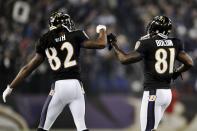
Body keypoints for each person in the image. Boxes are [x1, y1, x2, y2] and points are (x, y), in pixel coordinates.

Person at [2, 12, 107, 131]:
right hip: (77, 87)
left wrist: (10, 87)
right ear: (61, 24)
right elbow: (101, 44)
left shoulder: (45, 39)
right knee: (81, 127)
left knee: (43, 128)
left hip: (59, 87)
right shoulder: (76, 35)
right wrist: (102, 30)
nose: (70, 24)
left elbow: (28, 68)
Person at [107, 16, 193, 131]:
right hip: (167, 94)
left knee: (146, 129)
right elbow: (189, 62)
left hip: (153, 93)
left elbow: (124, 59)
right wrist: (177, 72)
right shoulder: (175, 42)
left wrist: (114, 44)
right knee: (152, 128)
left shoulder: (147, 43)